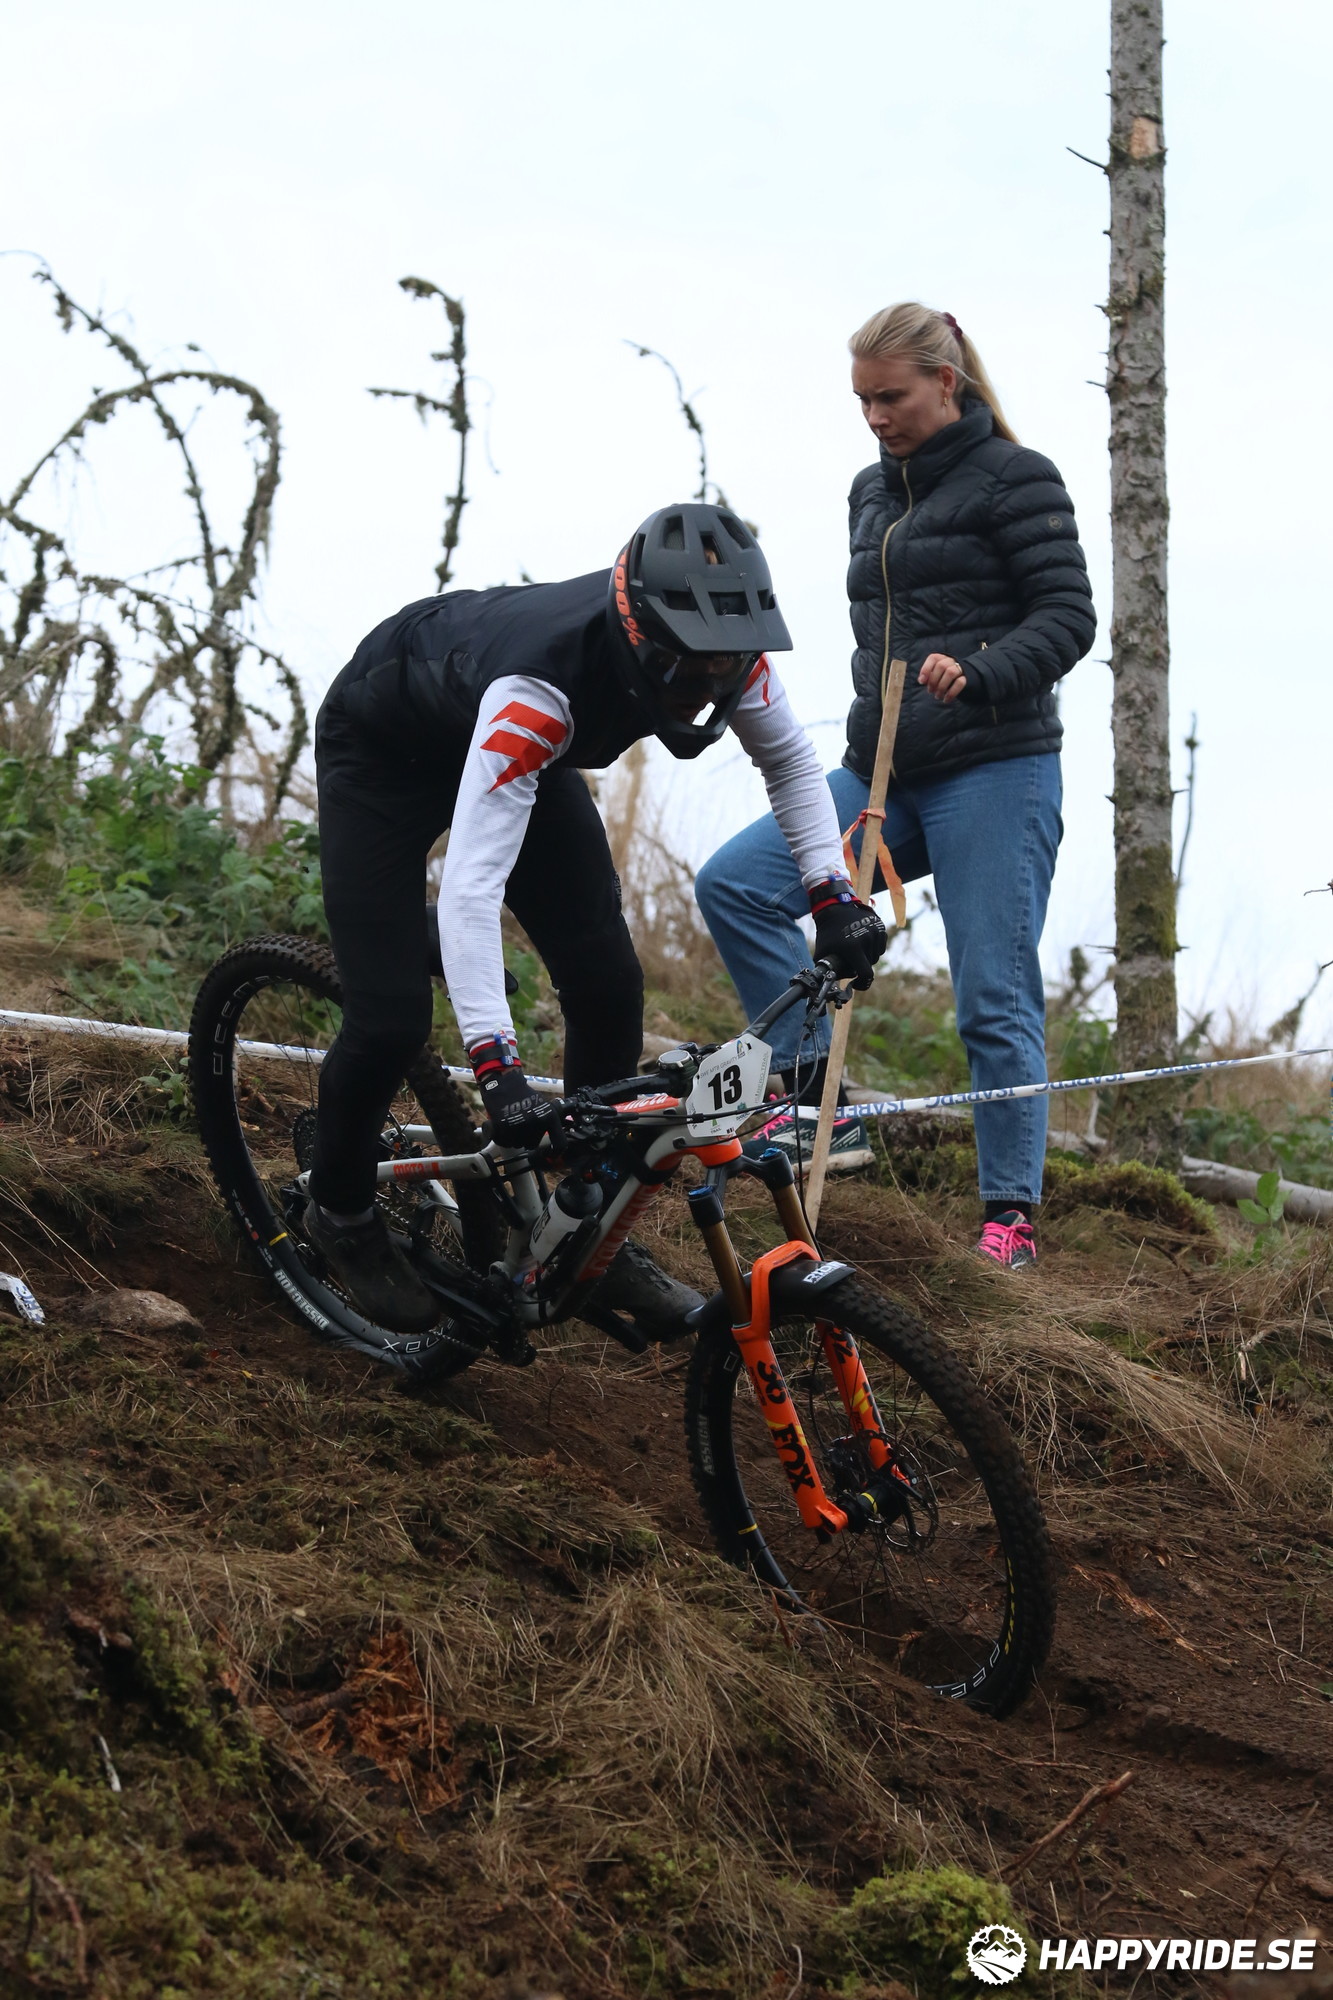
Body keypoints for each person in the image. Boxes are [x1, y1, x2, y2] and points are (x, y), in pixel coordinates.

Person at [306, 502, 887, 1332]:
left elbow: (791, 763)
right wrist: (499, 1073)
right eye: (688, 673)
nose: (706, 689)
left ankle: (586, 1227)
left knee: (609, 987)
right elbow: (473, 887)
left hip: (513, 749)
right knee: (391, 1020)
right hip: (387, 752)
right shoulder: (537, 694)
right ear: (640, 639)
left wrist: (832, 898)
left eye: (721, 671)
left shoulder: (727, 649)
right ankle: (339, 1210)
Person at [696, 304, 1096, 1270]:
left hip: (996, 769)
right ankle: (813, 1100)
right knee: (738, 885)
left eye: (891, 397)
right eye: (862, 401)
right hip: (880, 772)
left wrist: (984, 670)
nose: (875, 416)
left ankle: (1009, 1220)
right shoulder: (869, 492)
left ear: (944, 383)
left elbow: (1068, 617)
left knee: (991, 997)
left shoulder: (1017, 477)